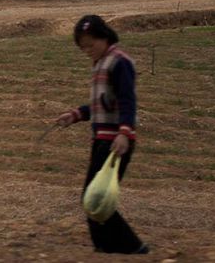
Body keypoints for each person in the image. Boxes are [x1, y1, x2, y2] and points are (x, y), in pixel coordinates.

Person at [55, 15, 148, 255]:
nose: (87, 50)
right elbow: (101, 104)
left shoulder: (120, 62)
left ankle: (131, 246)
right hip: (102, 140)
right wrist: (75, 114)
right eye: (83, 47)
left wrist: (124, 134)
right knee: (93, 197)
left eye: (90, 44)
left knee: (94, 197)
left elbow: (128, 101)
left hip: (116, 143)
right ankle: (105, 247)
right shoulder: (100, 63)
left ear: (104, 37)